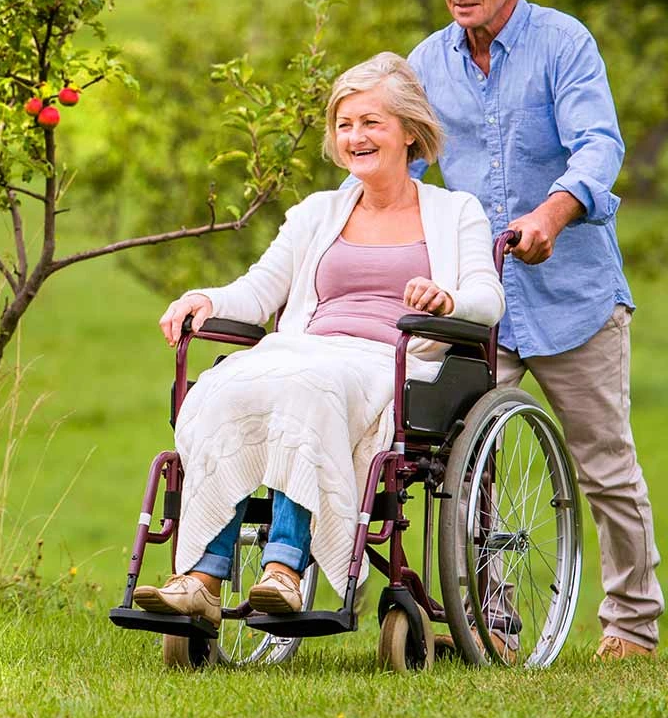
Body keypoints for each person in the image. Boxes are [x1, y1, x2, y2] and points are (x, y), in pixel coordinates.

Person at [131, 53, 504, 624]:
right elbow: (259, 291)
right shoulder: (317, 212)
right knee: (223, 385)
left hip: (390, 361)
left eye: (372, 122)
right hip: (303, 350)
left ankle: (283, 567)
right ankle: (203, 577)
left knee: (311, 389)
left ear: (409, 131)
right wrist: (207, 300)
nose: (355, 136)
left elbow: (488, 296)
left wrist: (448, 301)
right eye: (345, 124)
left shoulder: (456, 212)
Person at [408, 0, 662, 661]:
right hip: (479, 304)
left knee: (605, 467)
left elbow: (598, 145)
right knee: (466, 460)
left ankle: (632, 625)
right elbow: (405, 168)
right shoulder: (427, 63)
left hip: (573, 299)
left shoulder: (564, 44)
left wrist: (552, 214)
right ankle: (494, 619)